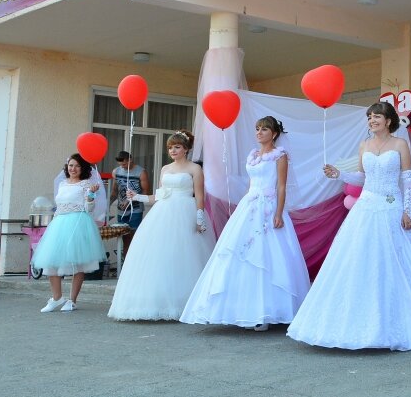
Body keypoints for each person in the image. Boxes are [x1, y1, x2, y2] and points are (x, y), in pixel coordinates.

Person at [287, 101, 411, 351]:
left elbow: (407, 180)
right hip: (365, 207)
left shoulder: (400, 145)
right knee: (357, 261)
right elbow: (362, 178)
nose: (372, 120)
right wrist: (339, 174)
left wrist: (407, 211)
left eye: (377, 117)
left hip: (390, 206)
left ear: (388, 121)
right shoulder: (364, 145)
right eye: (369, 117)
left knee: (393, 262)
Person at [181, 116, 310, 331]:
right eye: (257, 129)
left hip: (268, 207)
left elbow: (281, 186)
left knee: (268, 256)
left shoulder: (280, 155)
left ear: (274, 133)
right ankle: (238, 309)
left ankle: (267, 311)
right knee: (238, 253)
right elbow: (251, 184)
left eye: (264, 129)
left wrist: (278, 212)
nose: (259, 133)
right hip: (250, 205)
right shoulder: (253, 156)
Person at [108, 131, 215, 321]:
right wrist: (138, 197)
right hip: (163, 212)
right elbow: (160, 195)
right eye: (170, 147)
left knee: (185, 255)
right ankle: (158, 301)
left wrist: (200, 218)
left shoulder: (195, 169)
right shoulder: (165, 169)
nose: (173, 150)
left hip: (185, 211)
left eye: (177, 147)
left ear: (186, 149)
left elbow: (199, 195)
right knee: (159, 254)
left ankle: (186, 302)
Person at [31, 155, 104, 313]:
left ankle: (72, 300)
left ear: (82, 168)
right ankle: (57, 298)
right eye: (71, 165)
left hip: (78, 223)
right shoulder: (63, 183)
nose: (73, 169)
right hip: (59, 223)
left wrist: (91, 195)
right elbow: (59, 205)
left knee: (77, 263)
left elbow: (88, 208)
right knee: (51, 261)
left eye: (77, 166)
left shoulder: (86, 184)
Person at [111, 151, 150, 231]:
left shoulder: (141, 172)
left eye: (124, 164)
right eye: (120, 165)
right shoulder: (116, 171)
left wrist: (130, 201)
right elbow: (115, 191)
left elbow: (145, 192)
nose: (122, 167)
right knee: (122, 235)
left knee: (133, 234)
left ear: (130, 160)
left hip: (136, 209)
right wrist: (108, 204)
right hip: (121, 209)